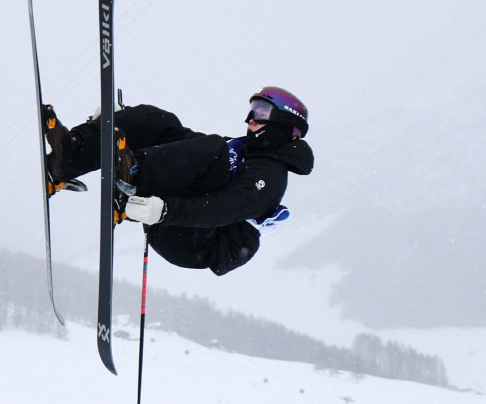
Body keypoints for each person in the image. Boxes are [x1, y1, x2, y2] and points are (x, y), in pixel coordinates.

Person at [44, 86, 313, 275]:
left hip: (197, 243)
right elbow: (187, 145)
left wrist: (164, 211)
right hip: (173, 220)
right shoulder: (243, 151)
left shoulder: (271, 176)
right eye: (253, 109)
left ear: (283, 124)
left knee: (213, 148)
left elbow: (222, 207)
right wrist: (129, 122)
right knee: (162, 122)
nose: (251, 119)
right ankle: (69, 157)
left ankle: (132, 177)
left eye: (262, 112)